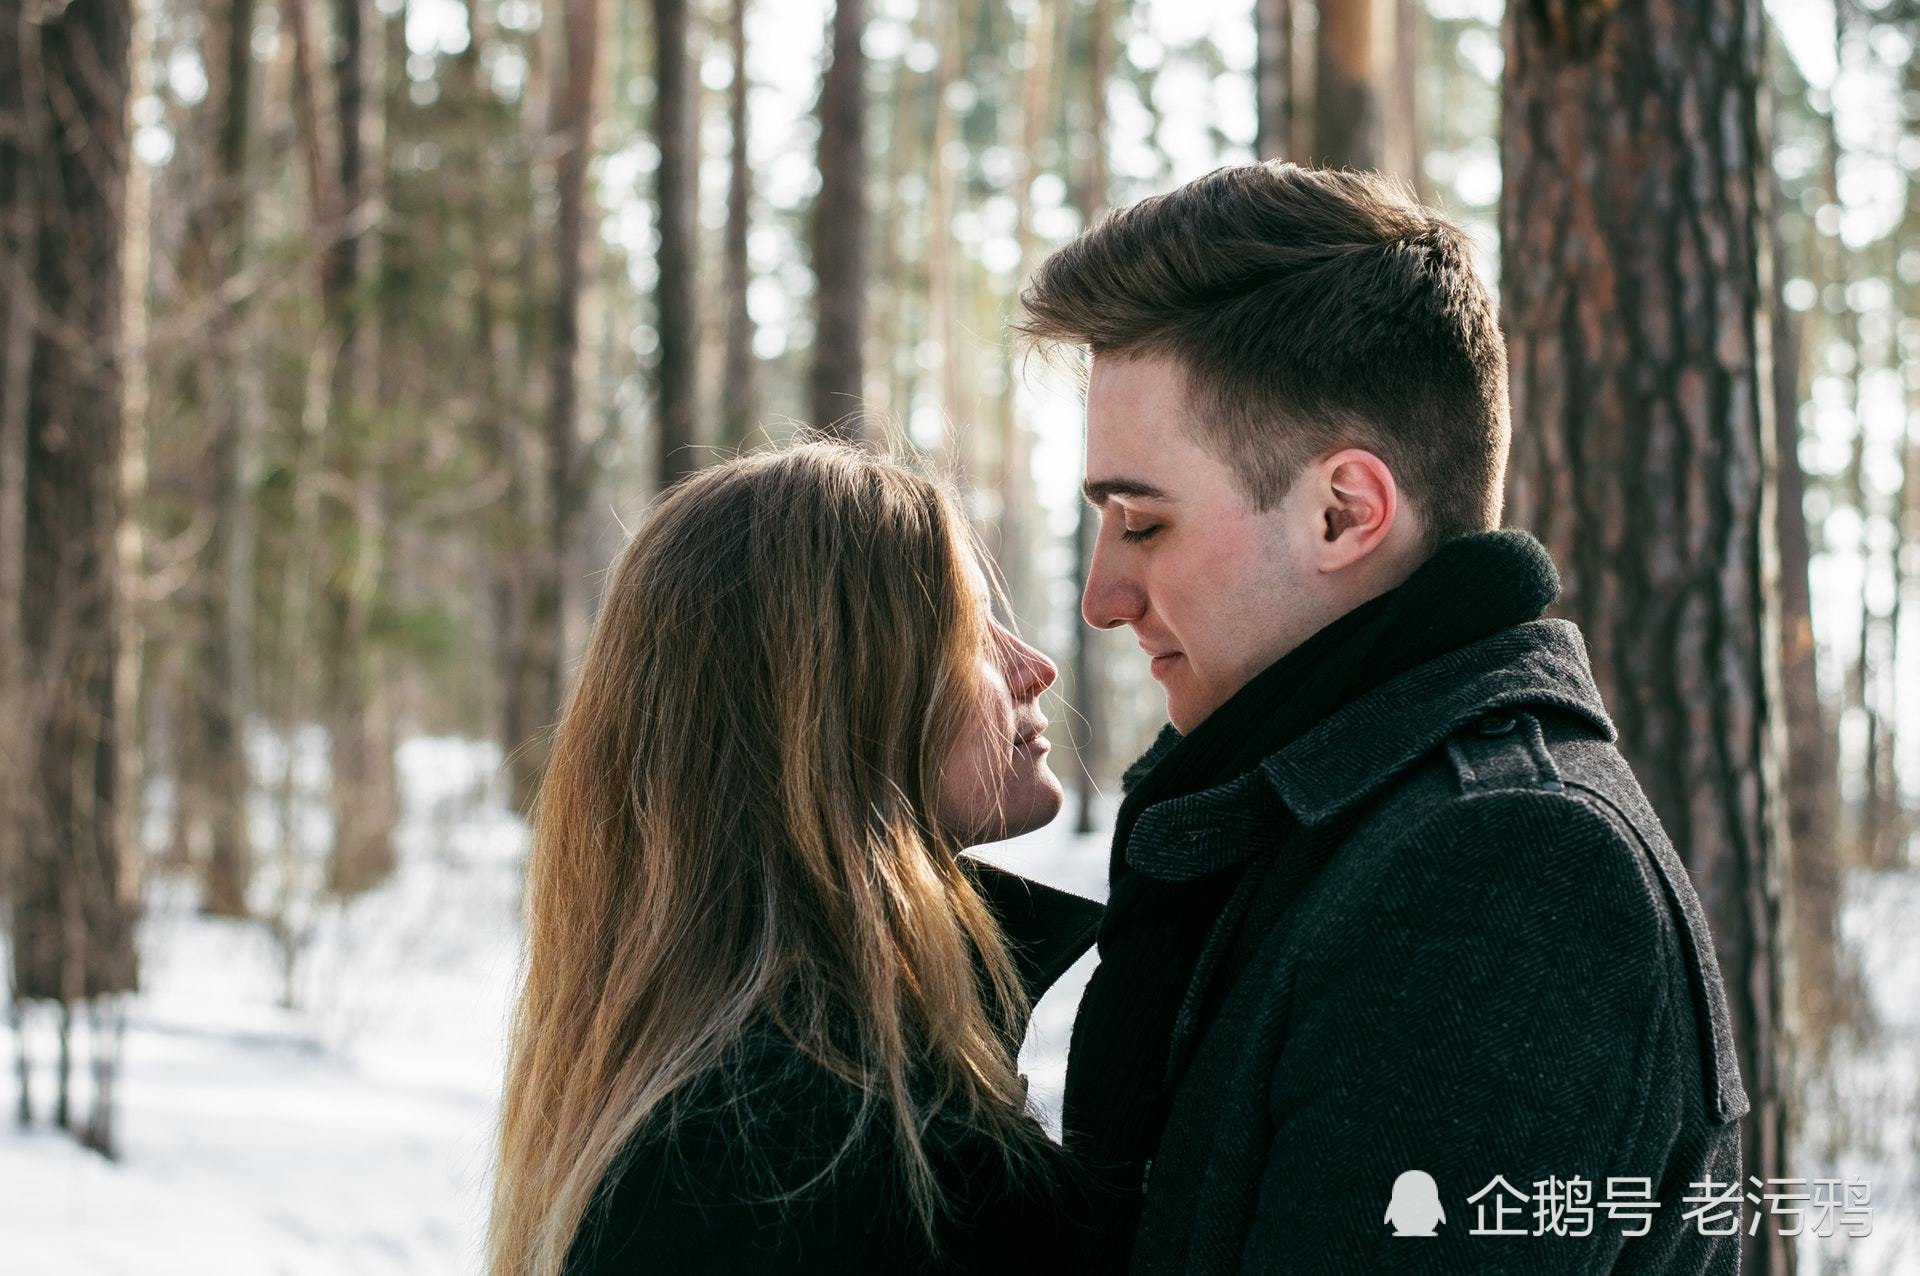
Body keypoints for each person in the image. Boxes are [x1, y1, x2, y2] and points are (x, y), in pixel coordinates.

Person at [1016, 162, 1747, 1273]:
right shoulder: (1320, 825)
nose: (1101, 599)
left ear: (1344, 510)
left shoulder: (1504, 871)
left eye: (1144, 523)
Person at [485, 442, 1103, 1276]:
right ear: (836, 703)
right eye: (969, 631)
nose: (1034, 667)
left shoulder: (790, 1102)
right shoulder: (799, 1158)